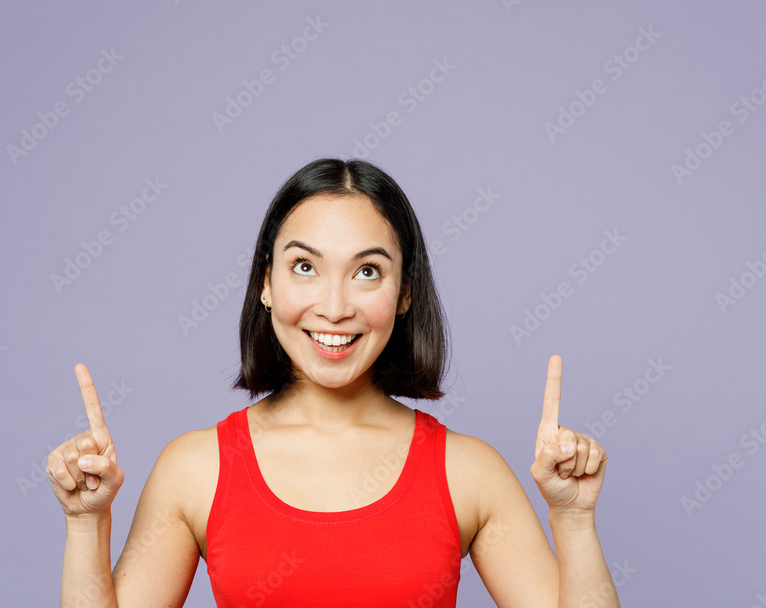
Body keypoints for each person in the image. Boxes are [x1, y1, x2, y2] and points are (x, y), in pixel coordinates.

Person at [47, 158, 620, 607]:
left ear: (405, 295)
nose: (335, 306)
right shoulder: (195, 469)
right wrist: (85, 523)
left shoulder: (467, 472)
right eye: (305, 267)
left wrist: (572, 518)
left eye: (367, 272)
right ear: (266, 283)